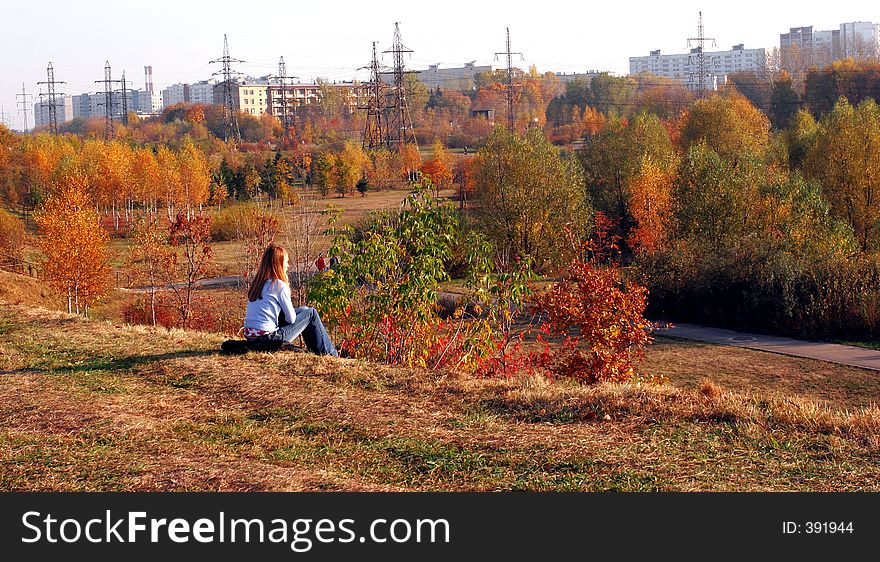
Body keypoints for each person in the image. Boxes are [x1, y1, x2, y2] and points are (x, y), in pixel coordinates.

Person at [243, 245, 338, 356]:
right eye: (286, 262)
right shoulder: (279, 285)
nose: (288, 265)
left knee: (305, 310)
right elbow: (291, 319)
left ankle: (318, 352)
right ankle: (331, 354)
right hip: (269, 340)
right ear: (278, 263)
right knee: (311, 313)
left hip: (252, 337)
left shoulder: (258, 283)